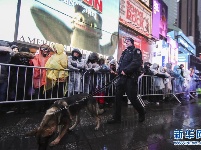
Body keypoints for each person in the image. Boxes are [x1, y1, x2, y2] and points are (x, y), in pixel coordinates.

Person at [107, 37, 146, 124]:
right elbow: (121, 64)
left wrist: (126, 70)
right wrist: (119, 71)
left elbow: (136, 63)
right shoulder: (125, 52)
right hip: (122, 78)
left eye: (128, 41)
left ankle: (142, 112)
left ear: (132, 42)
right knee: (117, 98)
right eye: (125, 42)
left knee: (132, 98)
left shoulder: (136, 51)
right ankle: (116, 118)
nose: (126, 43)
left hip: (130, 78)